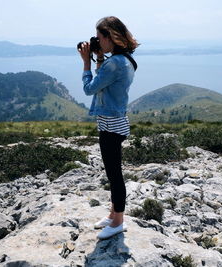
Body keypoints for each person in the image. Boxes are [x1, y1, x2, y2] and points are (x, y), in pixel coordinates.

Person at [78, 16, 139, 240]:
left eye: (99, 37)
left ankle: (118, 221)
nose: (97, 41)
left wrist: (86, 62)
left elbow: (90, 89)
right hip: (113, 120)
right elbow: (106, 80)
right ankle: (113, 214)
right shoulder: (123, 59)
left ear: (110, 37)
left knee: (114, 174)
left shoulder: (115, 63)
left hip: (111, 123)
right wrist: (100, 58)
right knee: (112, 172)